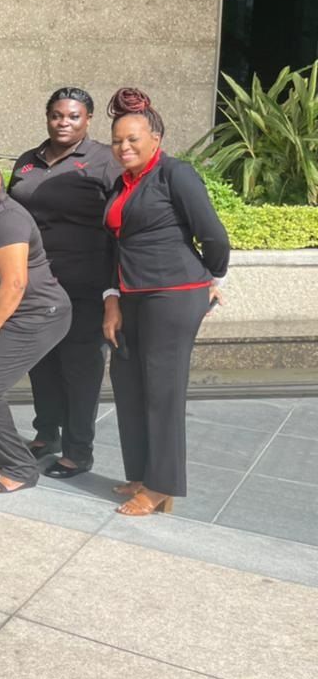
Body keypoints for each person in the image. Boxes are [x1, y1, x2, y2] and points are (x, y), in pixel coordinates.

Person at [102, 88, 229, 516]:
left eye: (133, 139)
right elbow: (116, 246)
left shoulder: (176, 174)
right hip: (132, 295)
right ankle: (141, 472)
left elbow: (212, 234)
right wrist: (112, 298)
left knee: (162, 390)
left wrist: (211, 278)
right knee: (127, 382)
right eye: (118, 140)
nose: (124, 147)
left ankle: (161, 486)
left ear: (155, 138)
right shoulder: (121, 183)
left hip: (173, 294)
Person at [8, 87, 121, 479]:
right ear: (47, 116)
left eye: (73, 116)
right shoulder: (28, 160)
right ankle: (46, 434)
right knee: (42, 363)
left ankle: (78, 450)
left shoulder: (105, 160)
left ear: (88, 120)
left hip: (84, 285)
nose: (64, 122)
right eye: (57, 115)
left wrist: (115, 290)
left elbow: (122, 221)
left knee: (79, 367)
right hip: (35, 286)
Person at [0, 153, 71, 494]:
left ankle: (20, 468)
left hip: (39, 314)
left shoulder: (9, 219)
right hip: (7, 313)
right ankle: (8, 458)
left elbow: (14, 284)